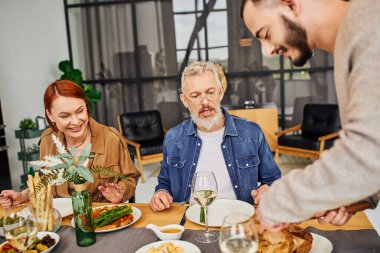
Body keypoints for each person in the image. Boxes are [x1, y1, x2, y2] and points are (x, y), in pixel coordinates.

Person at [241, 0, 380, 230]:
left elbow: (368, 153)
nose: (267, 51)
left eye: (266, 33)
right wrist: (348, 198)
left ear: (290, 4)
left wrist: (279, 201)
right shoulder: (351, 40)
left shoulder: (369, 25)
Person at [150, 61, 281, 211]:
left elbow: (273, 179)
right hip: (190, 221)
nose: (205, 101)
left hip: (240, 219)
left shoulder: (251, 132)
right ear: (184, 100)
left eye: (210, 92)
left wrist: (268, 189)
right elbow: (165, 183)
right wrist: (161, 193)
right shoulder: (173, 138)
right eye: (195, 95)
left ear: (221, 92)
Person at [0, 80, 140, 208]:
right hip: (62, 220)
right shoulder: (48, 140)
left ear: (86, 106)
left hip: (102, 217)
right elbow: (46, 180)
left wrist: (120, 192)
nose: (75, 122)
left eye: (80, 111)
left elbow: (130, 177)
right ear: (50, 115)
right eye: (64, 116)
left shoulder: (111, 138)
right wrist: (22, 196)